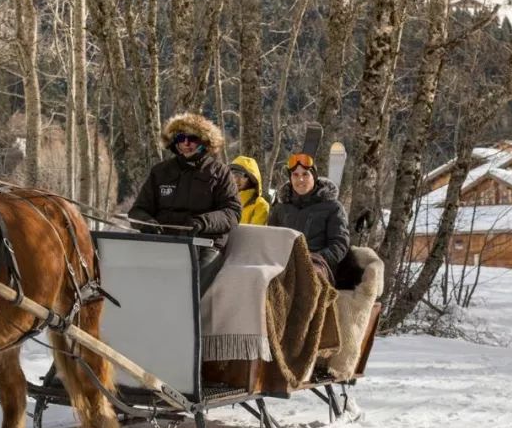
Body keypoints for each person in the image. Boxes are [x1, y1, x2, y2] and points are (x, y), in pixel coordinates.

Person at [128, 113, 241, 293]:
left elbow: (232, 212)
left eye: (192, 138)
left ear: (204, 141)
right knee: (132, 277)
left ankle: (186, 319)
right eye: (181, 138)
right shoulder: (160, 172)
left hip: (205, 244)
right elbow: (138, 210)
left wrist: (202, 222)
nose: (186, 143)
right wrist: (147, 223)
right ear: (174, 142)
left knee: (189, 286)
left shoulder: (220, 173)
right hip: (164, 242)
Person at [268, 152, 350, 284]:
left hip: (317, 266)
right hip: (283, 262)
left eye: (305, 174)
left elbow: (339, 244)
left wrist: (317, 259)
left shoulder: (333, 207)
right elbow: (270, 238)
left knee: (306, 279)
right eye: (295, 175)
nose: (300, 179)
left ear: (314, 177)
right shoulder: (281, 208)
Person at [230, 156, 270, 226]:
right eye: (233, 174)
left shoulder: (260, 205)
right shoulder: (225, 201)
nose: (236, 180)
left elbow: (254, 234)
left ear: (252, 179)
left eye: (241, 175)